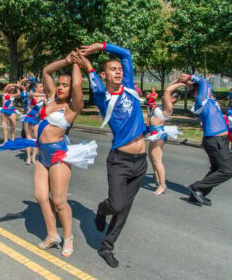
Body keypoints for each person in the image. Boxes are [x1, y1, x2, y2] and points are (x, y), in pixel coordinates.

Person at [79, 42, 147, 268]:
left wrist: (100, 46)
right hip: (120, 161)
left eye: (119, 69)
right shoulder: (102, 96)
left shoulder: (128, 85)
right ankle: (101, 209)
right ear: (104, 74)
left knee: (125, 209)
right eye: (112, 69)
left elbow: (126, 53)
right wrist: (88, 64)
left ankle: (107, 245)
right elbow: (94, 81)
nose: (118, 72)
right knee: (116, 205)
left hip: (140, 162)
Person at [32, 50, 96, 258]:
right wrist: (66, 60)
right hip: (42, 155)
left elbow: (78, 86)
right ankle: (53, 235)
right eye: (59, 84)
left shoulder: (73, 107)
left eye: (64, 85)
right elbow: (46, 71)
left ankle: (68, 237)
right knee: (41, 196)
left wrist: (76, 64)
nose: (60, 87)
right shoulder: (51, 97)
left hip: (58, 155)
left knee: (58, 201)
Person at [180, 74, 231, 206]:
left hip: (220, 139)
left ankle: (196, 194)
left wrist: (188, 83)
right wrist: (190, 77)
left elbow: (206, 85)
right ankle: (197, 187)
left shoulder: (209, 100)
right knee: (227, 170)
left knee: (216, 169)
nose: (210, 91)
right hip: (215, 139)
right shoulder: (201, 100)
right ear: (198, 92)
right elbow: (203, 82)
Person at [146, 81, 184, 195]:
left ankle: (162, 185)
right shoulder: (164, 103)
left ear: (172, 99)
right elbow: (168, 89)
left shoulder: (168, 106)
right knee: (151, 156)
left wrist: (181, 83)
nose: (164, 96)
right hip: (153, 132)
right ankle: (157, 179)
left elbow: (167, 91)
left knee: (157, 160)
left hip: (158, 134)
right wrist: (177, 81)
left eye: (169, 96)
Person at [21, 83, 46, 164]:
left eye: (43, 86)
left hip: (37, 119)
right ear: (35, 88)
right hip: (29, 119)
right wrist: (44, 94)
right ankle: (28, 157)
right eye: (40, 86)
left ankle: (34, 156)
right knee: (28, 138)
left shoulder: (43, 97)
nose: (42, 88)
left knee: (36, 139)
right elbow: (30, 94)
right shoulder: (31, 95)